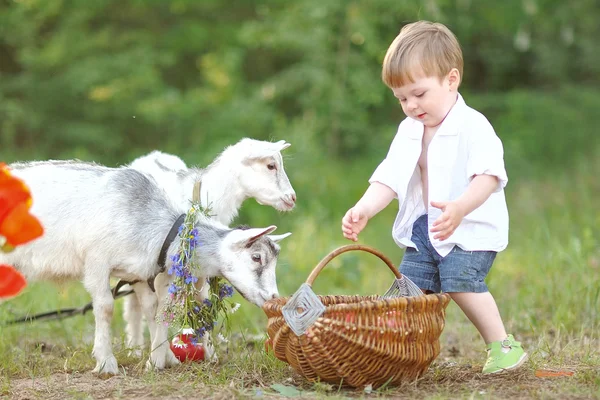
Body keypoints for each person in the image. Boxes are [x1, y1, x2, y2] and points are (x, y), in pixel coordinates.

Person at [341, 20, 527, 374]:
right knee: (410, 290)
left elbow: (488, 177)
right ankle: (396, 351)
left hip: (469, 229)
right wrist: (364, 208)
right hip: (426, 230)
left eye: (419, 94)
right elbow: (390, 176)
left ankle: (503, 345)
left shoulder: (474, 126)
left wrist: (460, 207)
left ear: (451, 80)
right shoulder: (409, 130)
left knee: (460, 281)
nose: (410, 105)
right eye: (401, 98)